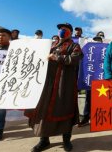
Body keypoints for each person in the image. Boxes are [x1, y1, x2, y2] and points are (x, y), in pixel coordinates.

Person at [25, 23, 83, 152]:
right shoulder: (50, 45)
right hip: (46, 83)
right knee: (44, 111)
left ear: (70, 32)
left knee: (65, 109)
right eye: (60, 29)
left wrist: (56, 57)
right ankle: (44, 140)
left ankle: (66, 141)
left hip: (64, 83)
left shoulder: (75, 46)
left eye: (65, 30)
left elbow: (75, 59)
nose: (62, 31)